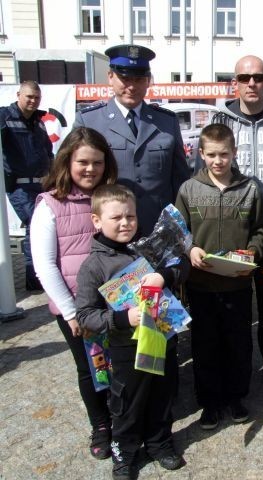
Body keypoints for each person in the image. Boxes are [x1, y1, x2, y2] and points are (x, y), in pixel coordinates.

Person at [194, 54, 263, 386]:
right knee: (233, 300)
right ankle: (233, 365)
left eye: (258, 77)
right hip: (233, 228)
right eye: (244, 78)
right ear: (235, 83)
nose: (251, 83)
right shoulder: (218, 120)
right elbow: (203, 174)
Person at [76, 184, 189, 479]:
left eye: (131, 216)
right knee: (127, 402)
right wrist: (124, 319)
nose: (126, 223)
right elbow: (85, 315)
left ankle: (160, 442)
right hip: (126, 349)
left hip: (163, 336)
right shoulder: (93, 265)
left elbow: (182, 267)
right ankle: (123, 453)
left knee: (162, 394)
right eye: (117, 218)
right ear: (97, 220)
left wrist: (163, 275)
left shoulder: (148, 249)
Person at [175, 124, 263, 429]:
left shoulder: (250, 189)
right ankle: (209, 403)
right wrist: (189, 249)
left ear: (234, 153)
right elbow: (177, 230)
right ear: (201, 154)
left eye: (224, 154)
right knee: (205, 345)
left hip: (237, 284)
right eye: (212, 155)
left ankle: (235, 396)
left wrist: (253, 252)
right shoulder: (189, 189)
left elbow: (262, 230)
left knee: (238, 343)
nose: (218, 161)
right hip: (201, 285)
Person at [31, 127, 118, 459]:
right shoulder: (50, 205)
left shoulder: (109, 196)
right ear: (67, 161)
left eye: (97, 162)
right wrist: (71, 312)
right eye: (83, 162)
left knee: (118, 364)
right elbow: (44, 266)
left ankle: (122, 416)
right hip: (76, 309)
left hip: (113, 301)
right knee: (90, 367)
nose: (90, 169)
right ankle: (100, 424)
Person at [74, 44, 191, 236]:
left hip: (157, 229)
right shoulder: (89, 121)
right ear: (110, 77)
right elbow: (76, 179)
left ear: (148, 81)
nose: (131, 86)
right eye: (125, 78)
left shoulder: (166, 121)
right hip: (109, 231)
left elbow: (180, 180)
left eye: (139, 79)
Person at [0, 80, 54, 290]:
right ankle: (34, 278)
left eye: (36, 97)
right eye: (29, 96)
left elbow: (47, 152)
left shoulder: (39, 122)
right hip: (19, 186)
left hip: (41, 184)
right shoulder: (5, 116)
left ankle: (40, 275)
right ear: (18, 95)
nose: (33, 101)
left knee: (44, 226)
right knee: (36, 226)